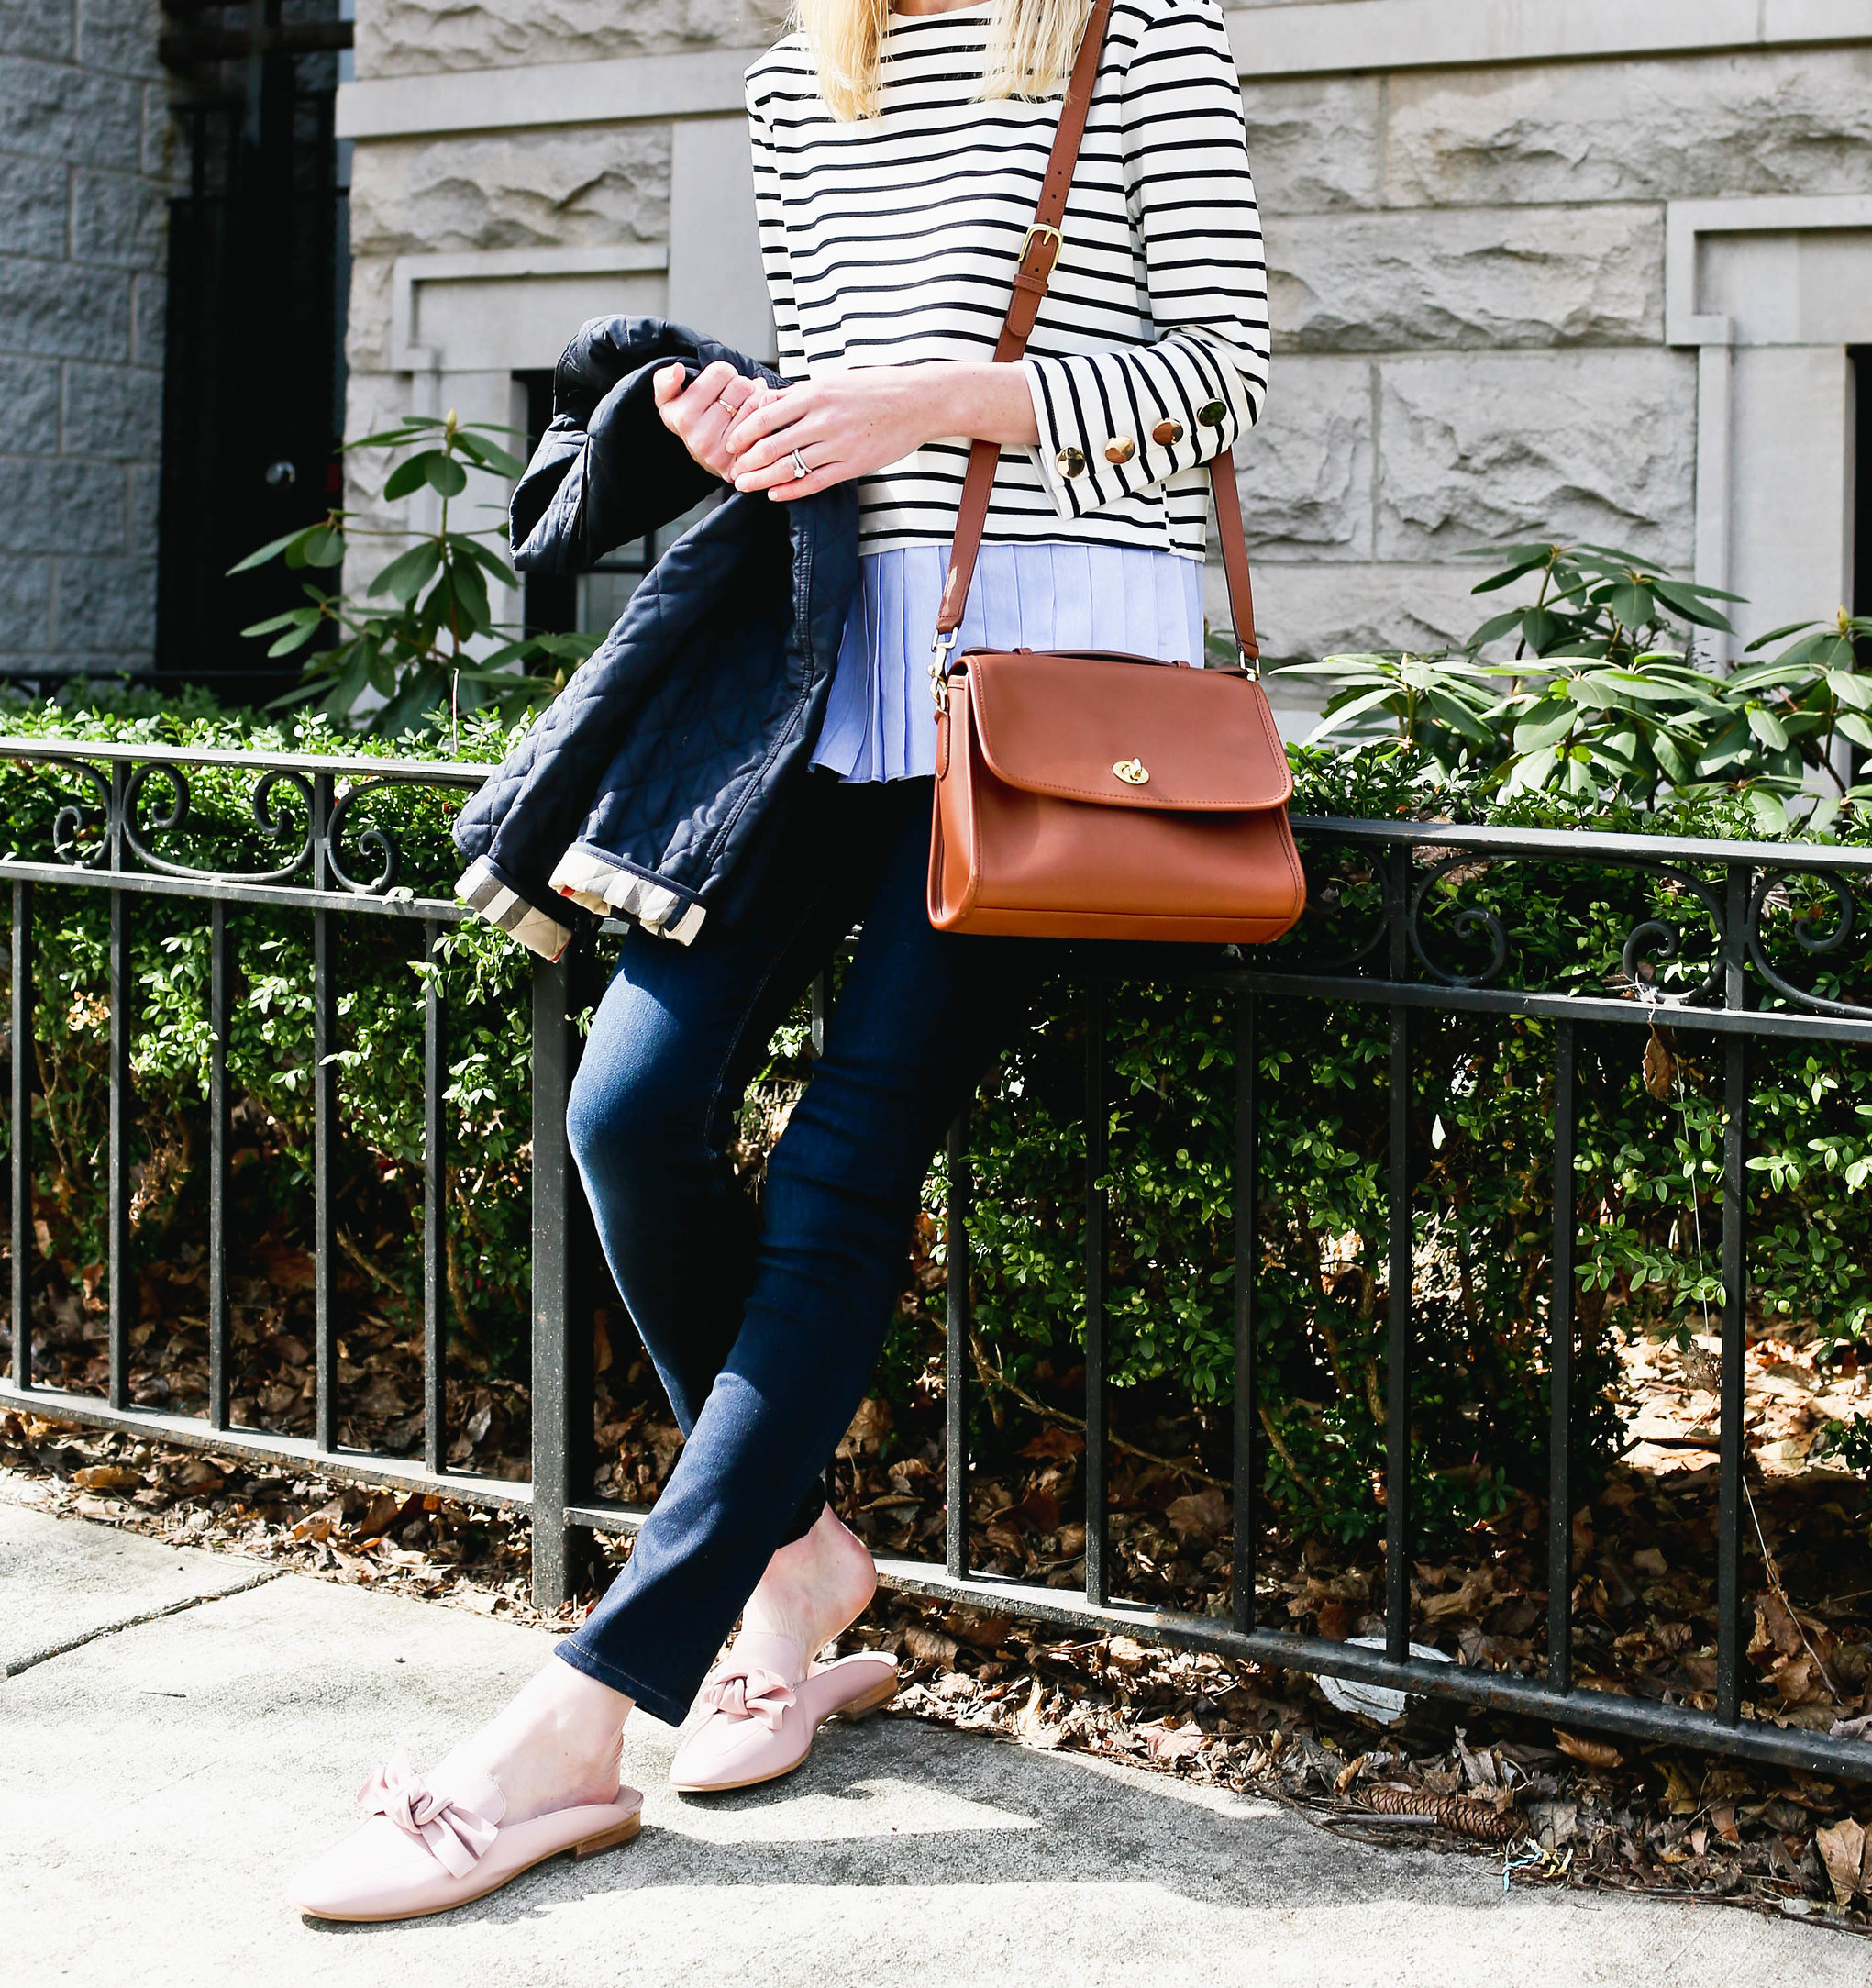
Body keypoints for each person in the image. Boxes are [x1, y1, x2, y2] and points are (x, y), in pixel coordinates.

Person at [289, 0, 1267, 1920]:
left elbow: (1222, 377)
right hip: (833, 658)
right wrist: (737, 419)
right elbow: (827, 412)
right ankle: (798, 1556)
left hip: (1051, 672)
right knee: (630, 1107)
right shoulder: (799, 67)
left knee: (839, 1165)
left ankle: (580, 1716)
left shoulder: (1132, 28)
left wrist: (935, 398)